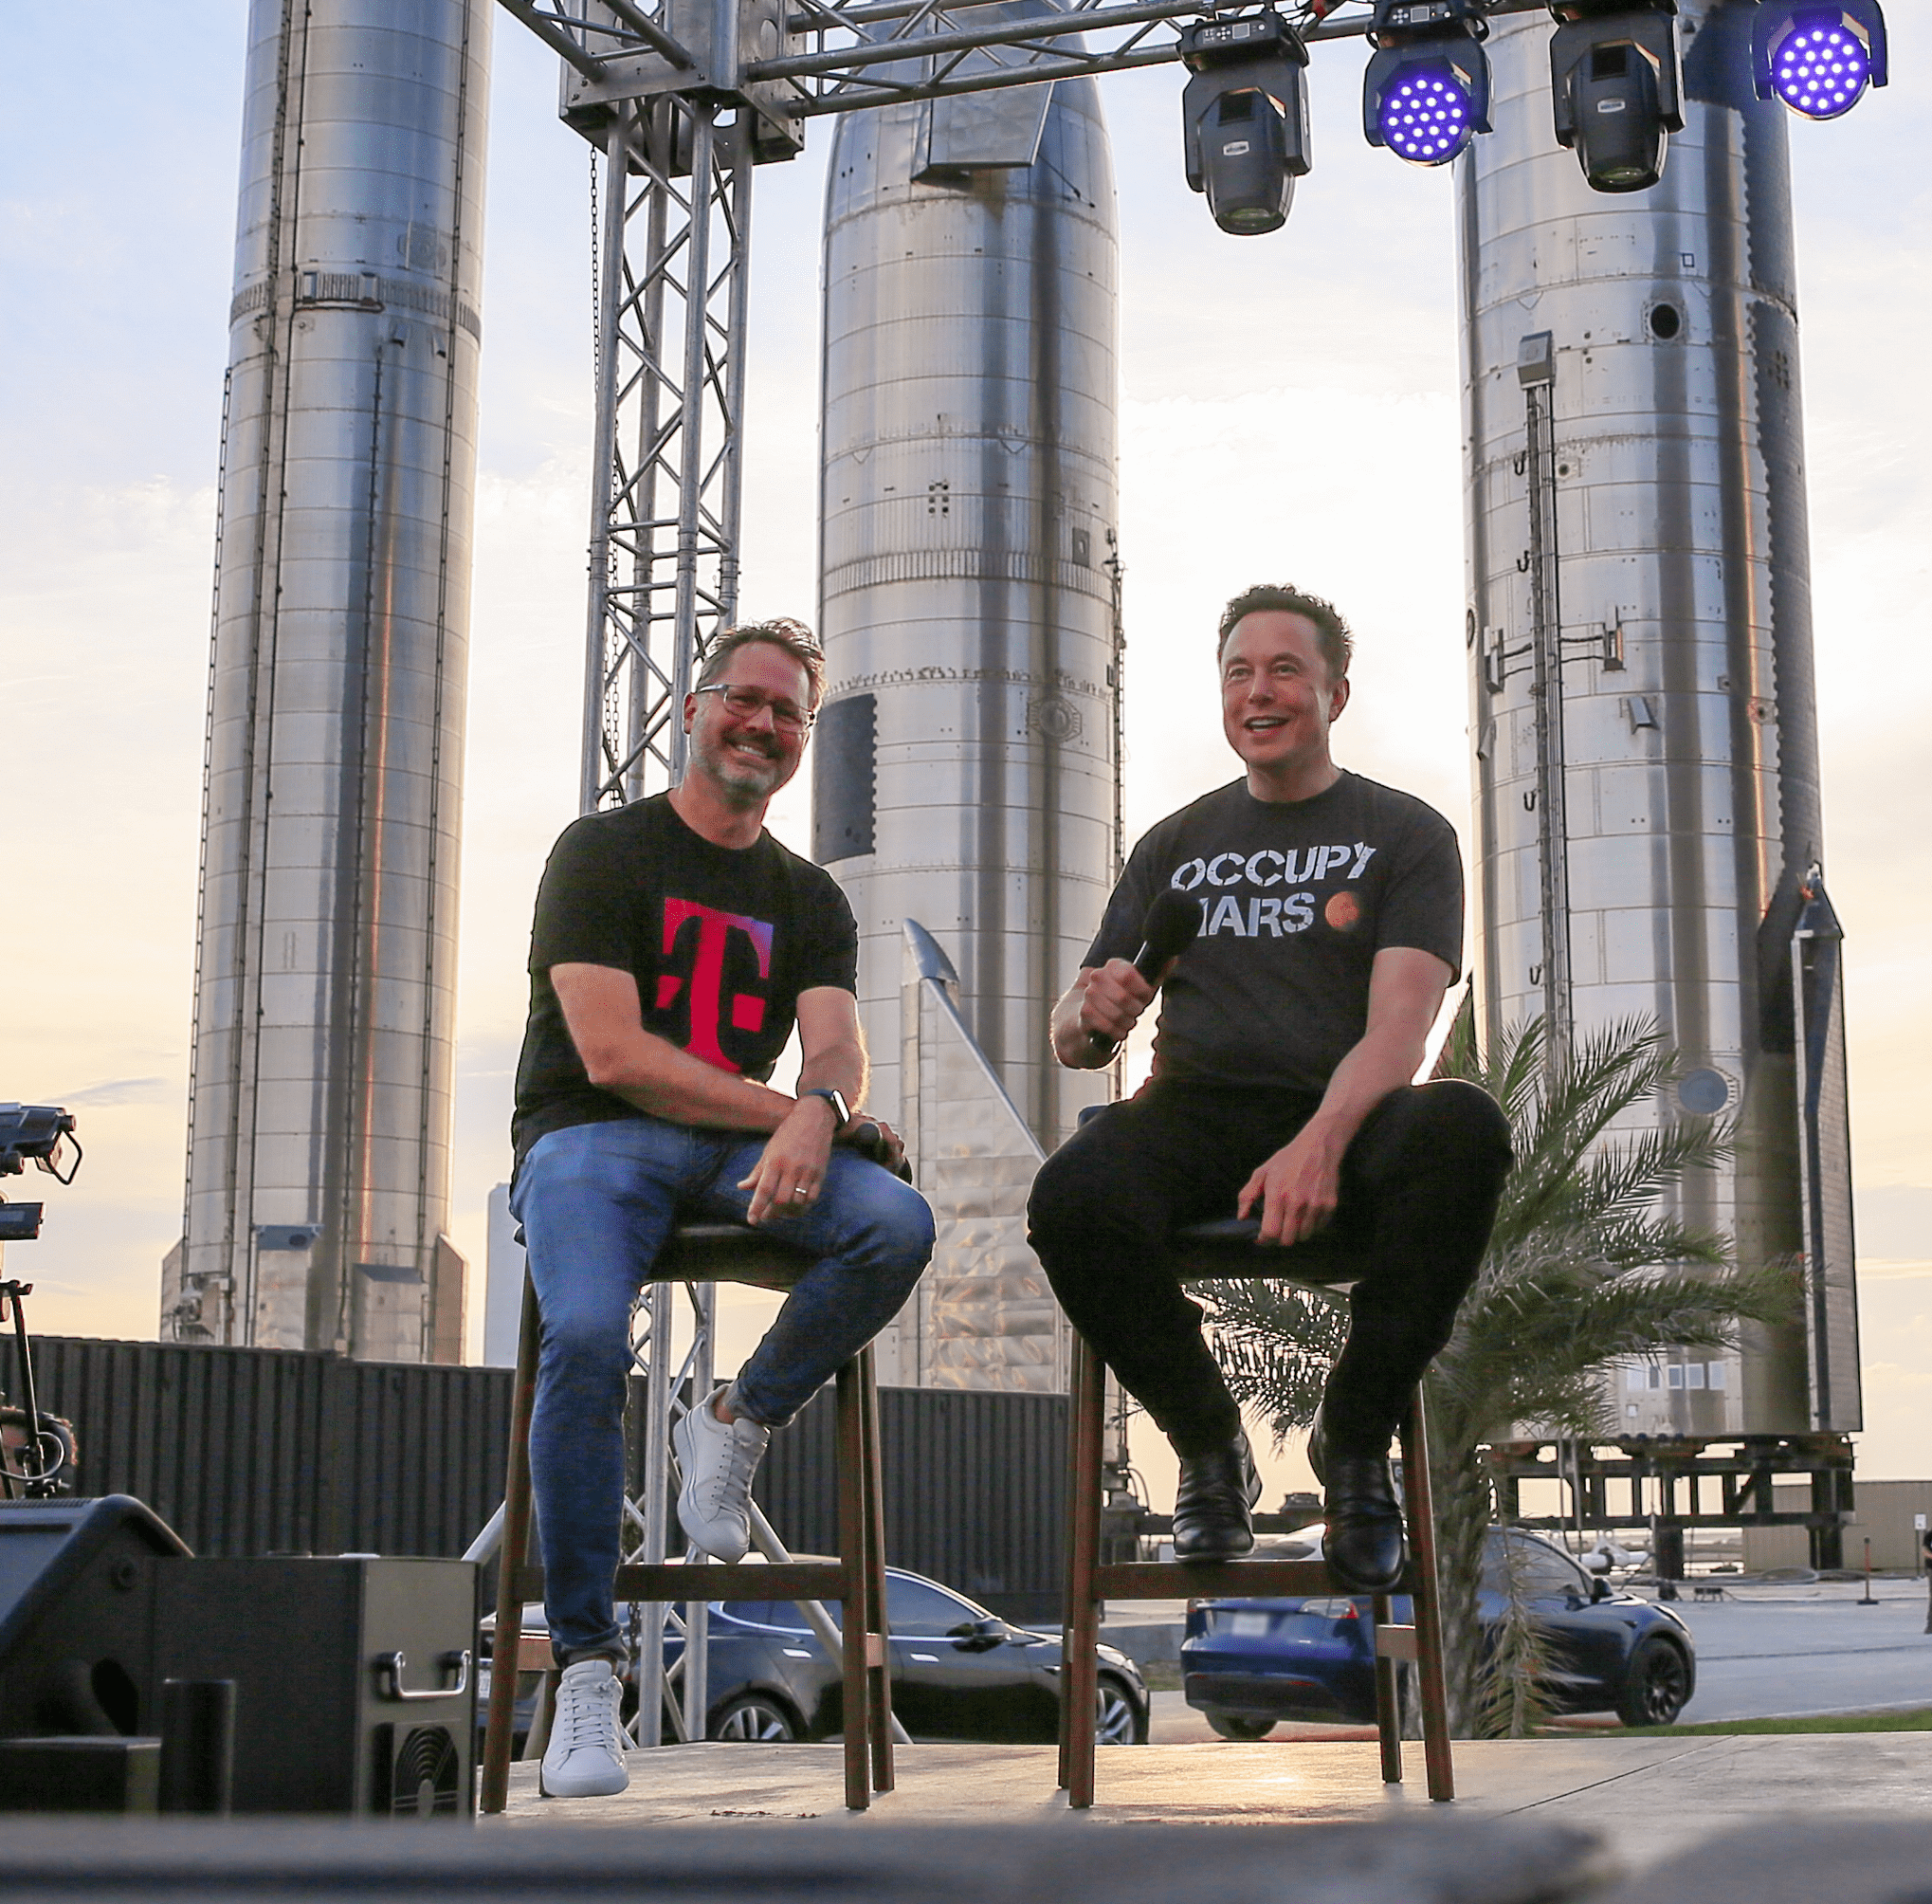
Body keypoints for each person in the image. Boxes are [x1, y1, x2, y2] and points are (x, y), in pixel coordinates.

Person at [510, 617, 936, 1802]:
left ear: (803, 735)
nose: (759, 724)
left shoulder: (805, 894)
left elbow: (838, 1041)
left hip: (736, 1149)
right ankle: (588, 1672)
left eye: (785, 711)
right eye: (741, 700)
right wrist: (790, 1110)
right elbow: (611, 1053)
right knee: (585, 1335)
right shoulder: (599, 852)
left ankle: (734, 1418)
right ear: (694, 710)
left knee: (894, 1222)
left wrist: (822, 1106)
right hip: (589, 1138)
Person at [1033, 585, 1510, 1594]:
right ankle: (1208, 1446)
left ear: (1334, 690)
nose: (1260, 691)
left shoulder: (1405, 832)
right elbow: (1074, 1034)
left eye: (1284, 669)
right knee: (1071, 1192)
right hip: (1193, 1111)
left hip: (1352, 1116)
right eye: (1239, 672)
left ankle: (1354, 1442)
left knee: (1462, 1123)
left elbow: (1400, 1028)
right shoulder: (1175, 842)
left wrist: (1322, 1140)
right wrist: (1090, 1012)